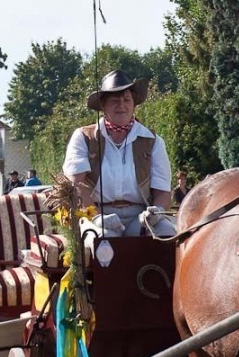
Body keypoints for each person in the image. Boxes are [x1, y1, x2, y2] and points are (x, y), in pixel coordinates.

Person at [63, 69, 171, 237]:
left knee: (166, 233)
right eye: (114, 100)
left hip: (140, 216)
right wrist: (97, 216)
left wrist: (156, 212)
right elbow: (76, 185)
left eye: (126, 99)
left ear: (134, 104)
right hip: (96, 214)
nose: (121, 105)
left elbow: (163, 191)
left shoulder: (153, 141)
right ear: (103, 106)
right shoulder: (84, 137)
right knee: (104, 240)